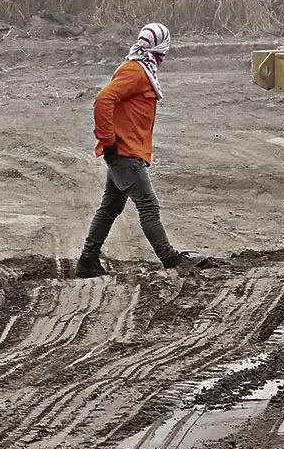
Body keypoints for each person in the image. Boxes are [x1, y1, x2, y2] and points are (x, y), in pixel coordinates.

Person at [75, 23, 210, 278]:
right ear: (160, 48)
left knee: (109, 208)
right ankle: (170, 259)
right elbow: (103, 99)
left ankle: (87, 262)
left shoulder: (139, 68)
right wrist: (107, 139)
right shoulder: (136, 71)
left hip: (124, 151)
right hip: (125, 153)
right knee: (148, 206)